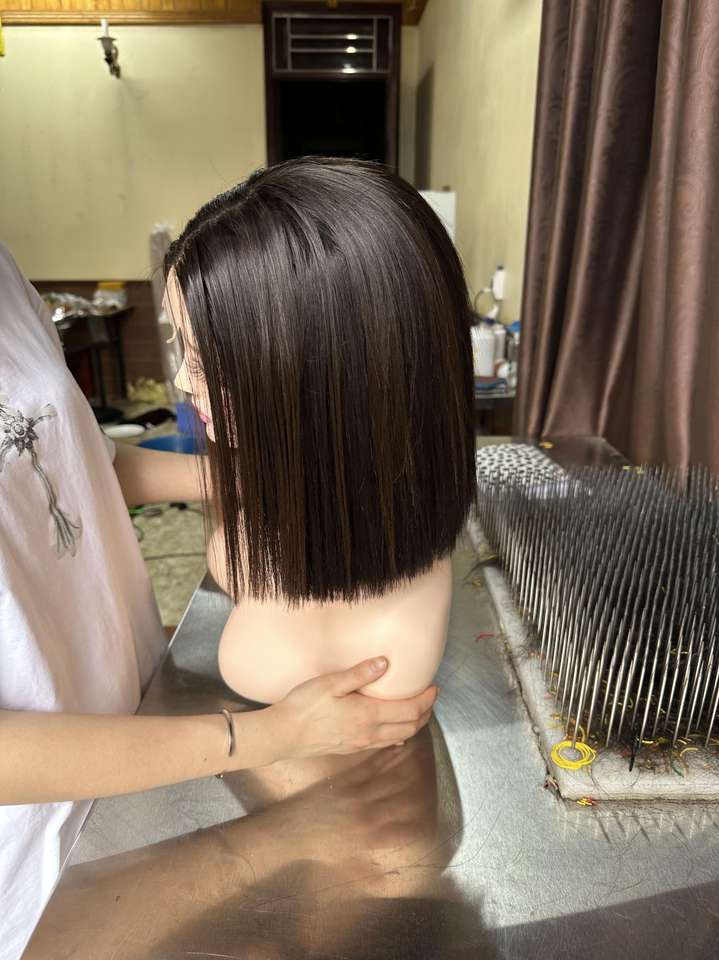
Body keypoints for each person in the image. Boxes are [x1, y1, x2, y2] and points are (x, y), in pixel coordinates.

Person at [0, 240, 438, 960]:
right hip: (40, 876)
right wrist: (267, 738)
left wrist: (259, 482)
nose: (178, 378)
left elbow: (66, 458)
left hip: (145, 745)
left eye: (203, 357)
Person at [163, 157, 475, 705]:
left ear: (326, 372)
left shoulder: (390, 630)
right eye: (180, 345)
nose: (183, 380)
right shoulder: (263, 530)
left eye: (204, 357)